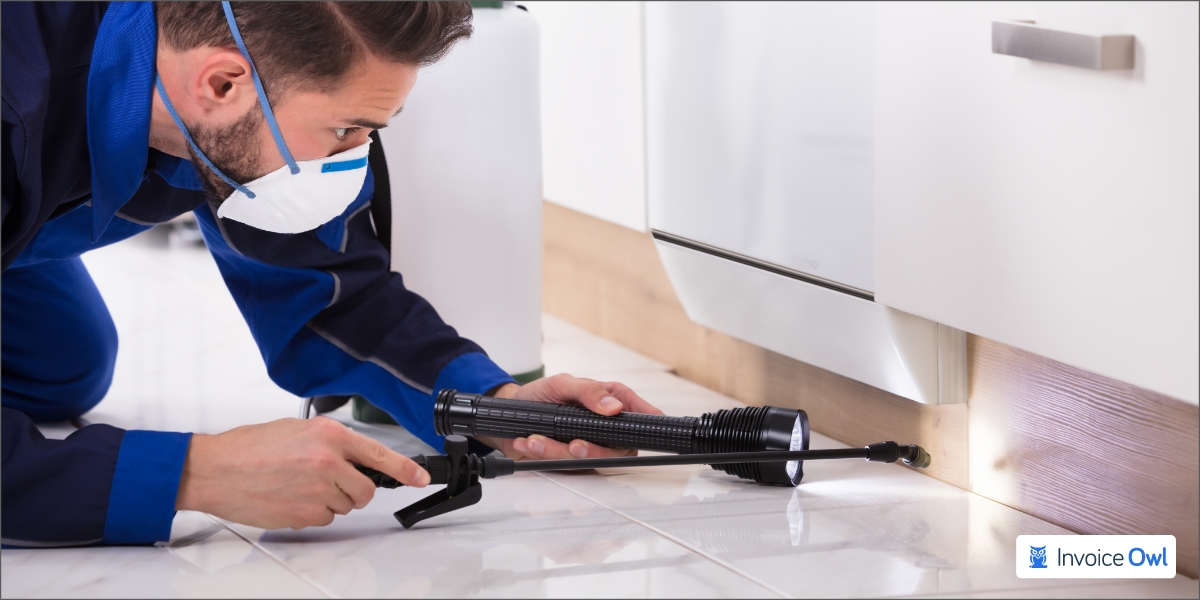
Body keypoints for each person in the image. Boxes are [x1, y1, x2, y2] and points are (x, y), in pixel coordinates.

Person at [1, 1, 662, 547]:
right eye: (346, 129)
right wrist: (192, 472)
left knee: (62, 362)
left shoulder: (217, 92)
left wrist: (488, 406)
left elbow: (329, 295)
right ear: (222, 84)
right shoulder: (18, 93)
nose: (354, 161)